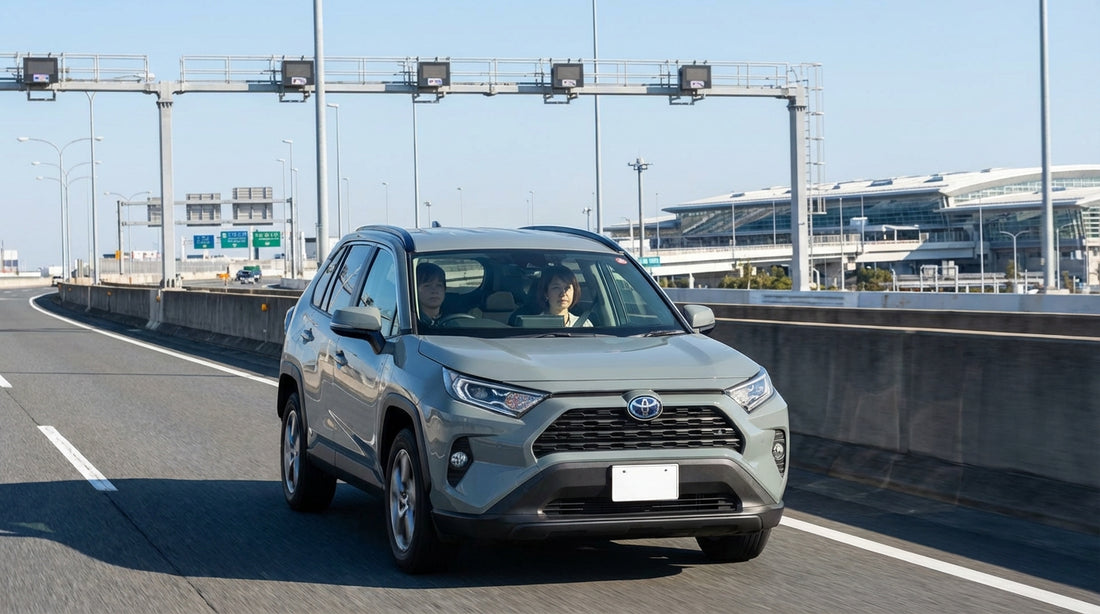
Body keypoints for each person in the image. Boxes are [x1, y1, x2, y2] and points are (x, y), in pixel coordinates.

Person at [416, 261, 447, 327]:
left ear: (445, 290)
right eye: (427, 286)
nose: (434, 291)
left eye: (439, 285)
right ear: (415, 290)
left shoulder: (453, 322)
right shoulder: (411, 324)